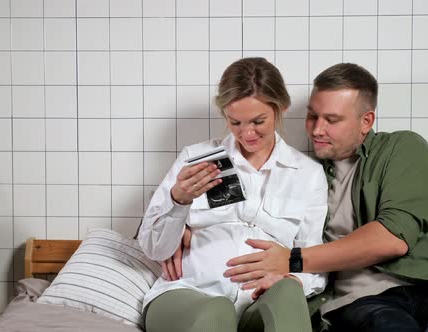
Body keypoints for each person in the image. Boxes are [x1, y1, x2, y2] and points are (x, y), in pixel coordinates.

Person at [223, 63, 428, 331]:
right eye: (312, 116)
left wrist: (294, 259)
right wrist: (186, 226)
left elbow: (392, 238)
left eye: (332, 120)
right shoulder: (302, 173)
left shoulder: (401, 148)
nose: (317, 129)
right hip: (362, 302)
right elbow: (251, 218)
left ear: (366, 121)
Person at [138, 57, 328, 332]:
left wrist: (295, 279)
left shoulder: (308, 174)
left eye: (258, 121)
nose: (246, 133)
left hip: (257, 304)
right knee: (217, 310)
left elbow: (313, 257)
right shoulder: (196, 158)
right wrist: (178, 201)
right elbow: (155, 248)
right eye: (235, 122)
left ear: (281, 108)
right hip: (189, 293)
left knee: (289, 293)